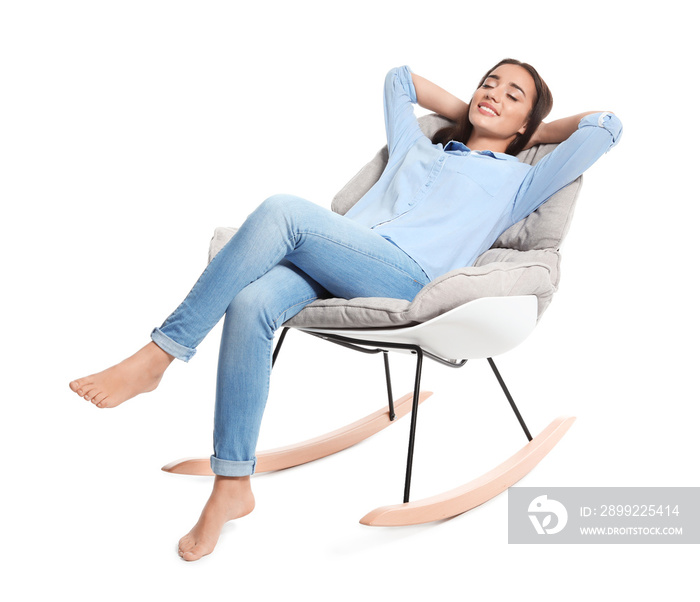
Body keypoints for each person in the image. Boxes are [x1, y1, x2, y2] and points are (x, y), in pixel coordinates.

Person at [69, 59, 622, 561]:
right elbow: (399, 80)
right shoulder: (418, 147)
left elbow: (607, 126)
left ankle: (160, 354)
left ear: (529, 123)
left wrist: (535, 135)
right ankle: (232, 483)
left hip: (406, 277)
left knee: (285, 210)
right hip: (337, 256)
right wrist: (474, 113)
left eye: (514, 94)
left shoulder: (523, 179)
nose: (493, 94)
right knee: (253, 300)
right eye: (488, 83)